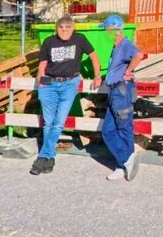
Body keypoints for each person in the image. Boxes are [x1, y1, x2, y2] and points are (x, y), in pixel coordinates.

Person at [32, 15, 100, 175]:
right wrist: (41, 82)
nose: (64, 30)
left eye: (68, 27)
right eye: (61, 27)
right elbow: (42, 64)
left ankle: (43, 156)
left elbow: (94, 57)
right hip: (49, 84)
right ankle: (50, 158)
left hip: (69, 84)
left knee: (58, 122)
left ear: (73, 28)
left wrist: (97, 76)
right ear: (57, 28)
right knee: (48, 122)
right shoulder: (49, 41)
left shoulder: (80, 39)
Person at [99, 14, 144, 182]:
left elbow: (138, 55)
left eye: (106, 29)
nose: (105, 32)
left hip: (121, 90)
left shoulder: (125, 44)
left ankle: (124, 162)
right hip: (115, 90)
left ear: (113, 29)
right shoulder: (116, 46)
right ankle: (124, 161)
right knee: (108, 130)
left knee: (123, 126)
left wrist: (127, 72)